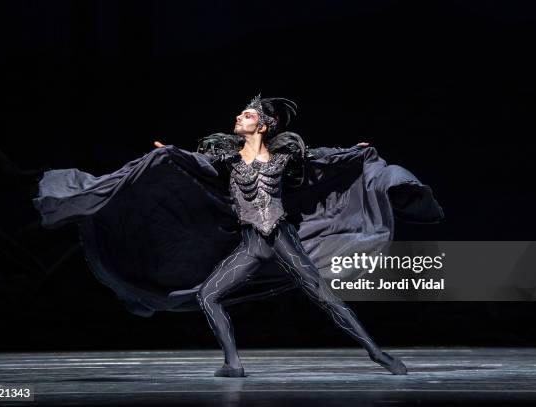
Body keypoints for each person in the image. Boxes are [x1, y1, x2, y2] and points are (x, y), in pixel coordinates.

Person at [33, 94, 444, 378]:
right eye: (240, 115)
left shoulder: (283, 157)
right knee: (208, 295)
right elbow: (194, 163)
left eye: (247, 115)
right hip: (251, 244)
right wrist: (168, 154)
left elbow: (323, 161)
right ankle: (233, 363)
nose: (239, 118)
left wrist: (355, 151)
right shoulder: (226, 159)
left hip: (283, 239)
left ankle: (378, 352)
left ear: (264, 124)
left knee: (325, 297)